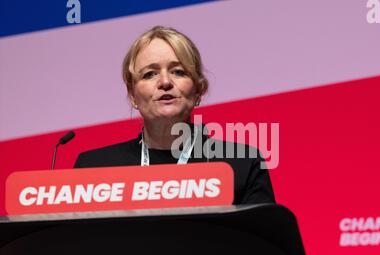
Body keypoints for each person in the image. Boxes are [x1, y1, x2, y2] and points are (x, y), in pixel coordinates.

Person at [74, 26, 275, 205]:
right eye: (149, 74)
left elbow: (262, 245)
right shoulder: (94, 169)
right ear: (132, 94)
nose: (165, 82)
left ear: (198, 90)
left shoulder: (240, 164)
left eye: (178, 72)